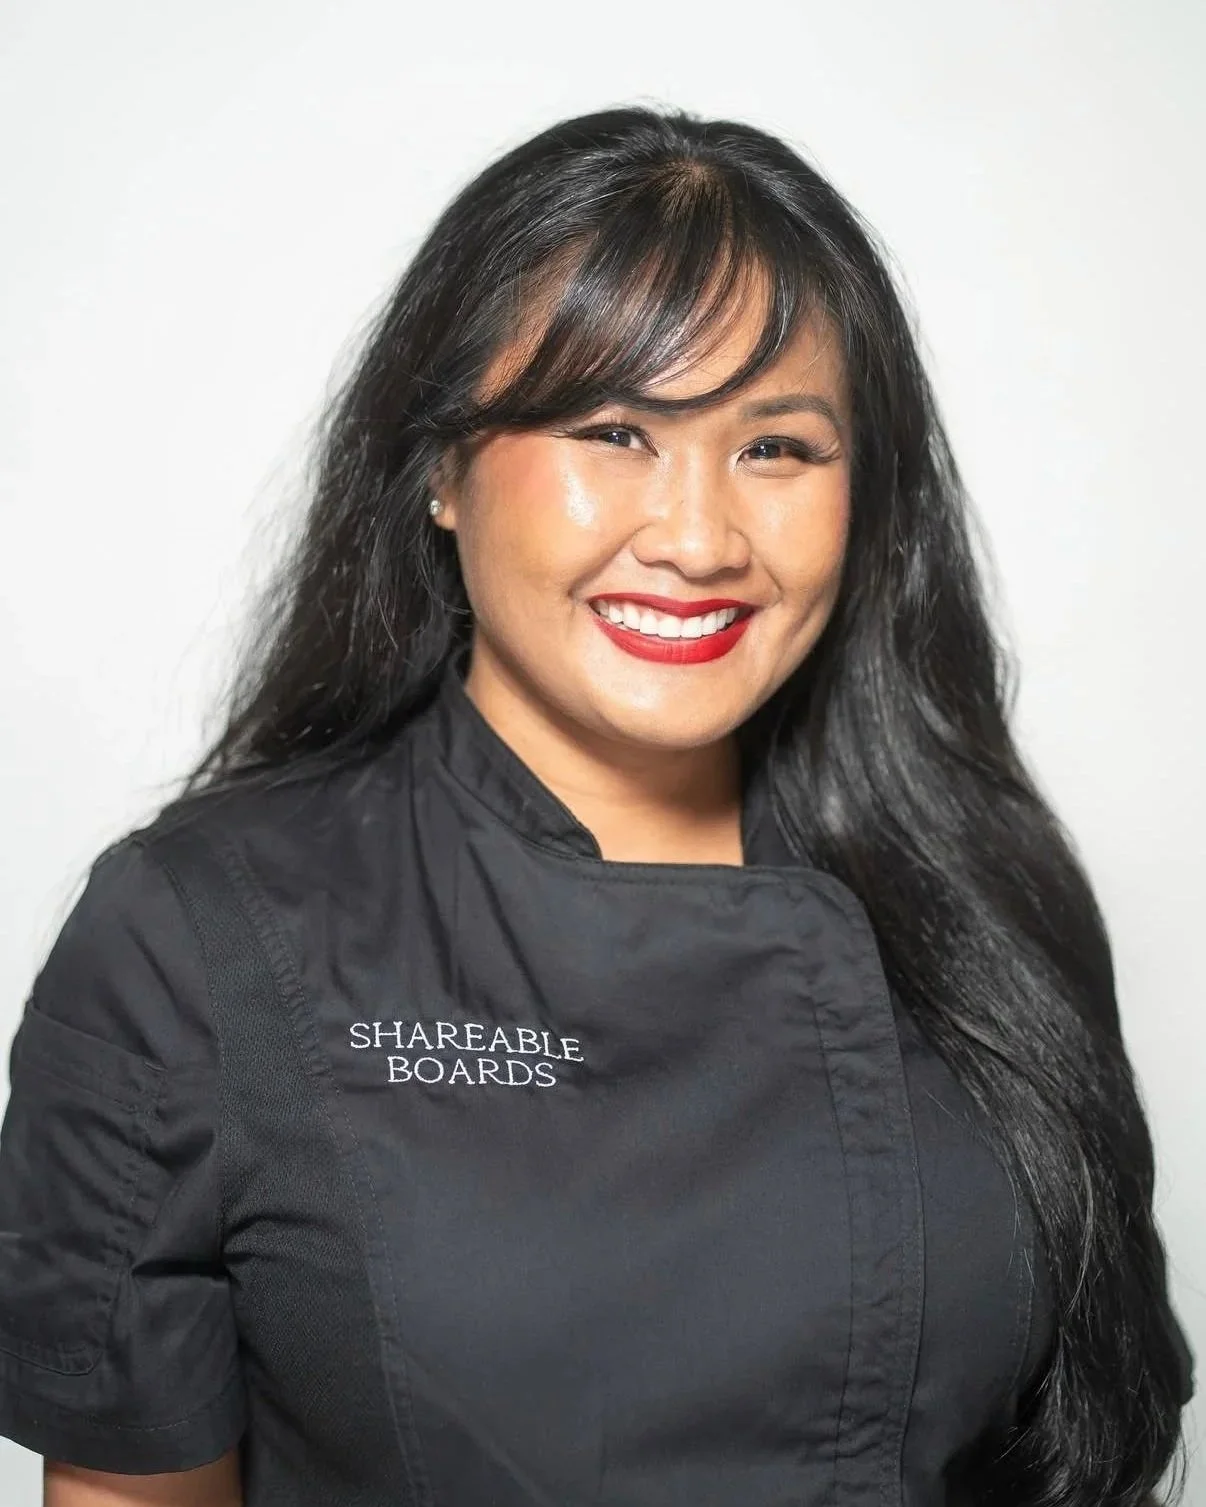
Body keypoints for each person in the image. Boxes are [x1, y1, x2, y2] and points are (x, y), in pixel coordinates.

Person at [0, 105, 1193, 1507]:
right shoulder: (197, 935)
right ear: (438, 468)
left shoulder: (987, 893)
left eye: (776, 448)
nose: (695, 538)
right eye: (613, 428)